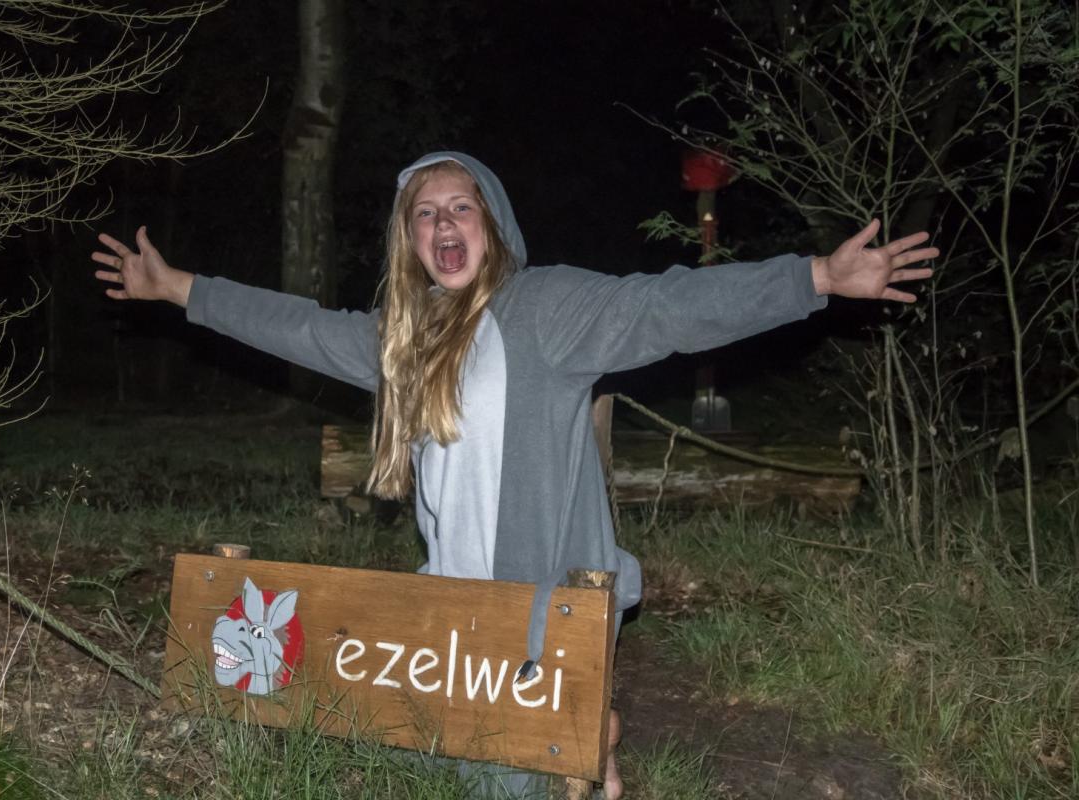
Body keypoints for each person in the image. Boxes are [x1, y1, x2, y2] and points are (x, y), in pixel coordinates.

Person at [93, 152, 936, 798]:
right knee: (398, 749)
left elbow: (665, 308)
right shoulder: (403, 338)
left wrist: (815, 278)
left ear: (491, 223)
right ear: (410, 240)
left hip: (540, 617)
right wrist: (177, 289)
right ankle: (583, 738)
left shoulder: (544, 311)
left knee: (496, 784)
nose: (444, 223)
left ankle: (577, 727)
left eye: (460, 207)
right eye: (426, 214)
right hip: (452, 615)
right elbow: (298, 327)